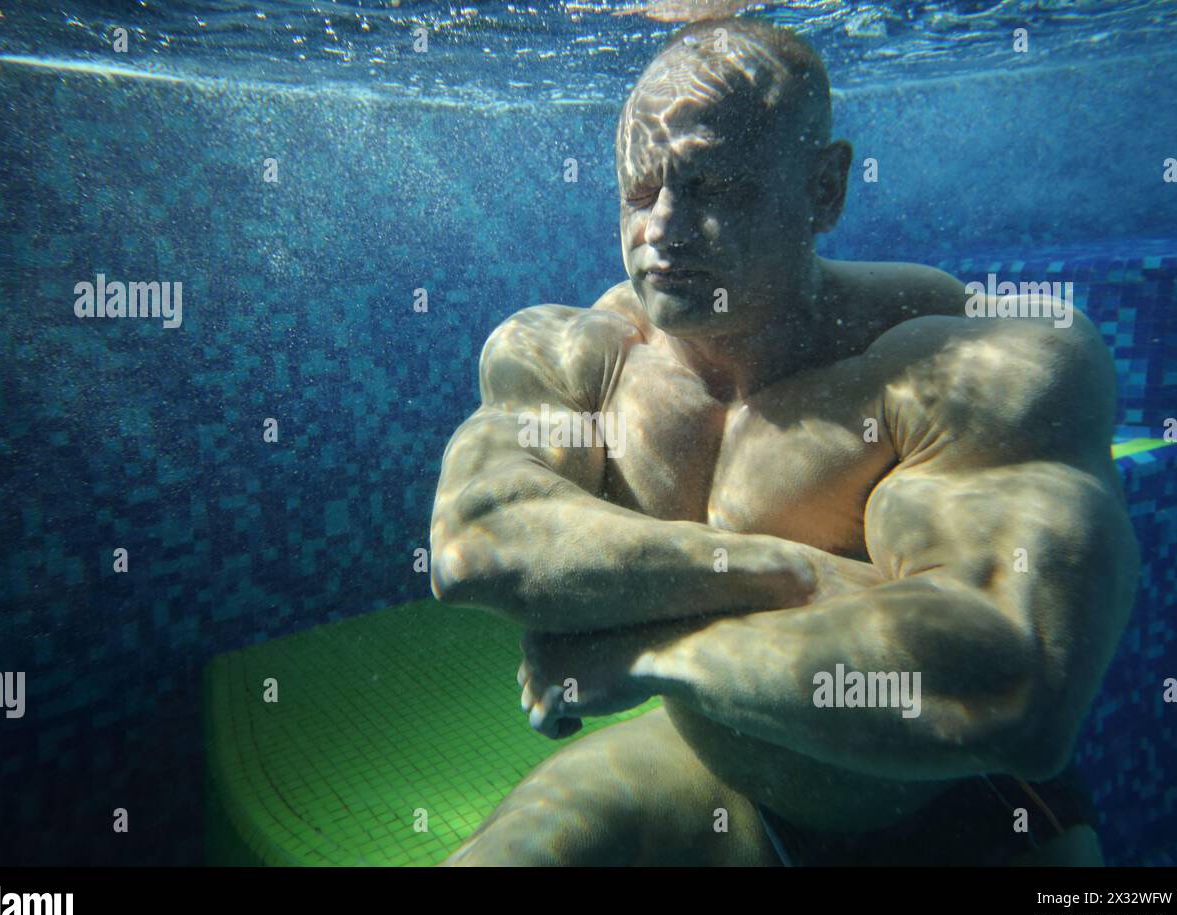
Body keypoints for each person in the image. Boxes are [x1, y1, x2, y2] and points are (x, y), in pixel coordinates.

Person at [428, 16, 1139, 865]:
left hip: (963, 815)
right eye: (639, 187)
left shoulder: (971, 363)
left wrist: (644, 644)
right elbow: (479, 544)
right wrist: (790, 574)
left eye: (712, 187)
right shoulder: (575, 354)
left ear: (824, 188)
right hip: (722, 767)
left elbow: (1009, 686)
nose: (663, 226)